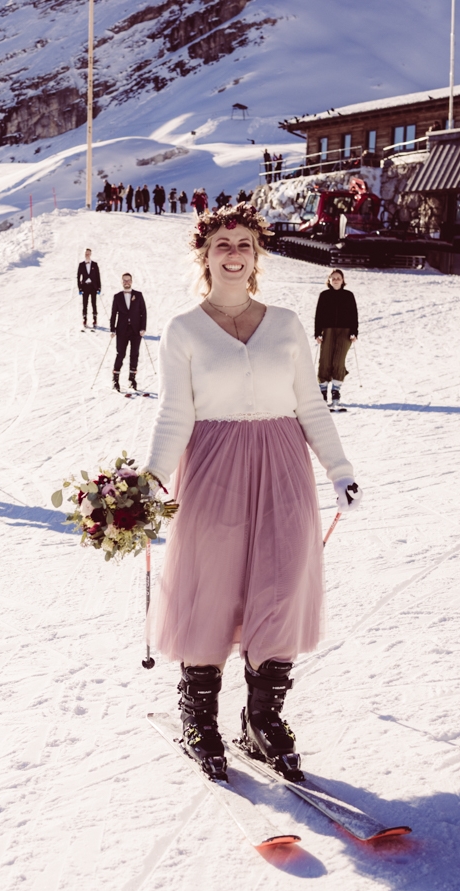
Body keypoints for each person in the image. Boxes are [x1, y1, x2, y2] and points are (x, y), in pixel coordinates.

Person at [142, 204, 362, 782]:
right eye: (222, 244)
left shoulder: (285, 324)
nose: (234, 253)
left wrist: (339, 470)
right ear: (205, 256)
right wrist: (150, 481)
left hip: (283, 462)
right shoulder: (184, 329)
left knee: (281, 584)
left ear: (257, 254)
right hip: (213, 465)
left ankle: (262, 718)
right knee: (211, 586)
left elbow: (309, 404)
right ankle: (199, 716)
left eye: (243, 244)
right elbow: (174, 414)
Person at [313, 269, 358, 409]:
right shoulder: (324, 295)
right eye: (333, 278)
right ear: (329, 280)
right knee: (325, 360)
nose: (336, 280)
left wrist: (354, 332)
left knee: (339, 360)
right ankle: (322, 392)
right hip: (327, 331)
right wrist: (317, 333)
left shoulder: (348, 295)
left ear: (343, 280)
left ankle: (336, 392)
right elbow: (318, 315)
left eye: (338, 278)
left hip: (345, 332)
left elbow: (354, 314)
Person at [109, 272, 147, 392]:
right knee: (120, 354)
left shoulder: (138, 295)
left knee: (134, 354)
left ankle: (132, 379)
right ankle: (115, 380)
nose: (126, 282)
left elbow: (143, 312)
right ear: (121, 282)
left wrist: (143, 328)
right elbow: (113, 314)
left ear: (131, 281)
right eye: (124, 280)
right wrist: (112, 329)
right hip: (122, 330)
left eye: (128, 280)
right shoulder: (117, 297)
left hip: (136, 330)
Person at [77, 249, 101, 327]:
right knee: (85, 304)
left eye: (88, 253)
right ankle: (85, 319)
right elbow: (78, 277)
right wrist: (80, 288)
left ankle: (95, 319)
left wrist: (99, 287)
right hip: (85, 287)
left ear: (90, 254)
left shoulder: (94, 264)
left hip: (93, 287)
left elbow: (98, 276)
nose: (87, 255)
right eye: (86, 253)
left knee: (94, 303)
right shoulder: (81, 264)